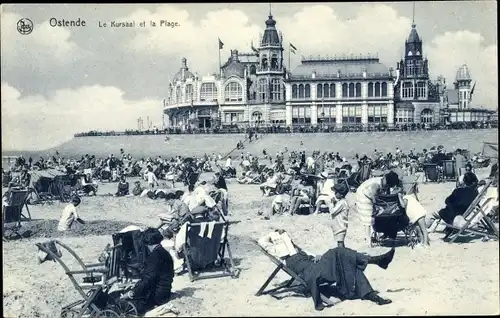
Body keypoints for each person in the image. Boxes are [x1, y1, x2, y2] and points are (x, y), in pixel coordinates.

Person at [258, 230, 394, 311]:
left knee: (349, 263)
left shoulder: (298, 250)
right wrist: (274, 234)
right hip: (313, 272)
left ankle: (373, 296)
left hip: (318, 265)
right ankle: (375, 260)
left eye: (289, 240)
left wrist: (316, 256)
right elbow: (262, 241)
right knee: (337, 252)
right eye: (287, 240)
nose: (290, 242)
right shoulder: (281, 254)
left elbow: (311, 255)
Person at [355, 171, 429, 247]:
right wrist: (376, 204)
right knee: (367, 217)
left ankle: (386, 233)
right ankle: (367, 240)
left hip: (380, 216)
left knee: (377, 214)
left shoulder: (383, 181)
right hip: (364, 195)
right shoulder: (376, 184)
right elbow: (373, 196)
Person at [123, 228, 174, 315]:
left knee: (123, 304)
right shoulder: (165, 253)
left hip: (157, 296)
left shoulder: (154, 257)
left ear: (148, 243)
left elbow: (148, 280)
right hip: (165, 291)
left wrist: (132, 292)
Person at [326, 183, 350, 247]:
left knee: (340, 243)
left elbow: (332, 212)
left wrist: (331, 203)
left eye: (336, 192)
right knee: (340, 242)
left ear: (341, 194)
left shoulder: (342, 203)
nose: (335, 194)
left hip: (340, 226)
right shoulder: (341, 202)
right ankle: (343, 255)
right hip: (339, 226)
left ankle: (341, 255)